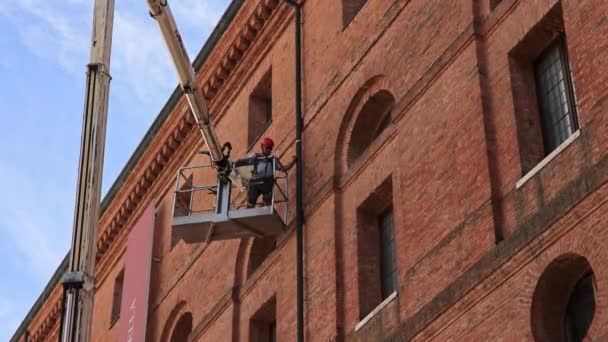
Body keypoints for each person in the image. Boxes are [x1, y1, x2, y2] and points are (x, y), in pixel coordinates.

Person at [246, 137, 295, 208]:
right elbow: (246, 165)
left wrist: (293, 161)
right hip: (255, 182)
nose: (269, 150)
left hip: (266, 182)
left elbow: (284, 169)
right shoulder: (255, 157)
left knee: (268, 199)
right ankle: (250, 209)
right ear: (262, 146)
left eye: (270, 148)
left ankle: (266, 208)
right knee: (251, 199)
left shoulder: (273, 160)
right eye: (267, 147)